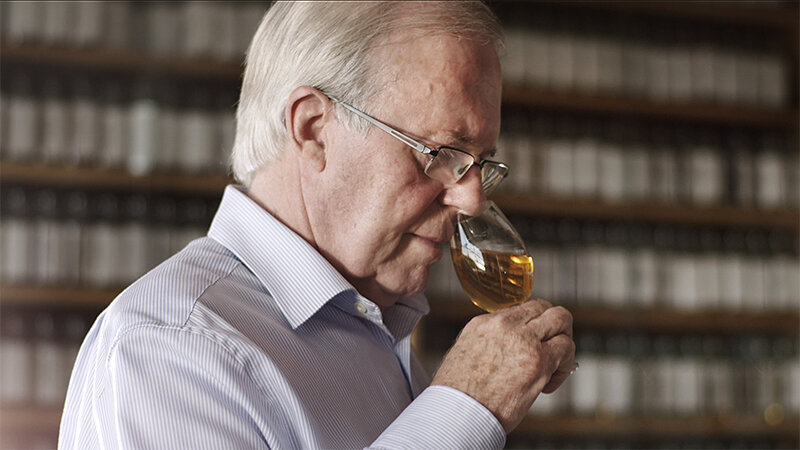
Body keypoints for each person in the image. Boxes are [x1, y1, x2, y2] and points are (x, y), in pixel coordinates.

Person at [59, 2, 575, 449]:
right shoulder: (173, 346)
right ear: (314, 130)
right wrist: (464, 409)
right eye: (440, 154)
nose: (470, 198)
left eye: (478, 163)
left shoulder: (372, 320)